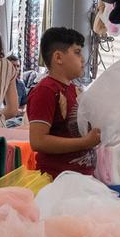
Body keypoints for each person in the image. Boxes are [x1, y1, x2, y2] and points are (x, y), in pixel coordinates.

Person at [26, 27, 101, 178]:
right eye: (77, 52)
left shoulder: (75, 89)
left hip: (81, 179)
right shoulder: (46, 90)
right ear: (58, 57)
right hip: (57, 180)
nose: (83, 59)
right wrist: (85, 142)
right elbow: (38, 141)